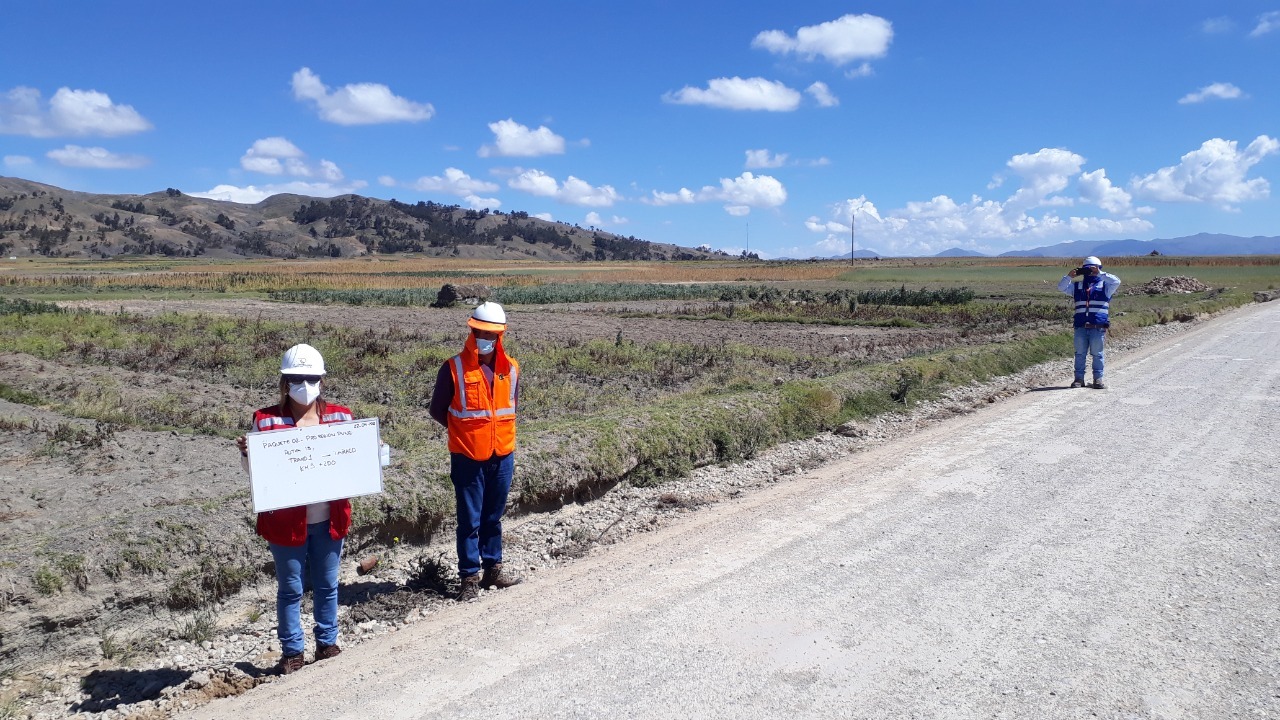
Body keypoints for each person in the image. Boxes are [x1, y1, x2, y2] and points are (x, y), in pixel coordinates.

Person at [236, 343, 353, 675]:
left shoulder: (341, 417)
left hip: (329, 519)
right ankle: (292, 651)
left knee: (327, 585)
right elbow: (256, 474)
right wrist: (247, 454)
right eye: (297, 379)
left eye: (311, 378)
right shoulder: (266, 420)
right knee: (291, 589)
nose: (305, 385)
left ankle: (327, 643)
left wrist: (372, 451)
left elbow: (353, 461)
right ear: (285, 382)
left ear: (322, 380)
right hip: (285, 523)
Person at [428, 301, 523, 601]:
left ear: (500, 335)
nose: (485, 338)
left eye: (491, 334)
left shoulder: (511, 368)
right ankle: (469, 577)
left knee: (493, 517)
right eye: (480, 332)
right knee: (469, 521)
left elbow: (511, 407)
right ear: (472, 331)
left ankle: (493, 569)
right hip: (467, 456)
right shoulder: (453, 367)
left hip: (502, 454)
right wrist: (463, 433)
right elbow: (437, 410)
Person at [1057, 256, 1121, 389]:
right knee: (1080, 354)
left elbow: (1117, 281)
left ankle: (1098, 380)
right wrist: (1068, 277)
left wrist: (1100, 273)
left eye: (1092, 269)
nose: (1089, 272)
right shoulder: (1077, 286)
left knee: (1097, 354)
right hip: (1080, 326)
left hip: (1097, 327)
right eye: (1086, 269)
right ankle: (1078, 380)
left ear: (1098, 268)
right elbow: (1061, 287)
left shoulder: (1106, 286)